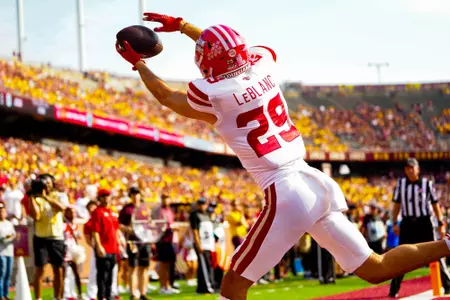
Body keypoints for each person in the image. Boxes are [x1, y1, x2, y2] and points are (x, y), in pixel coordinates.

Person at [116, 13, 450, 300]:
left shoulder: (216, 95)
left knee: (232, 287)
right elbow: (229, 52)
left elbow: (165, 95)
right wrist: (187, 27)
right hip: (314, 181)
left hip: (286, 191)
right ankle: (447, 244)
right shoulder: (263, 66)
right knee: (376, 268)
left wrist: (140, 64)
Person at [389, 158, 450, 297]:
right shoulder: (401, 184)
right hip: (407, 223)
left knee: (436, 253)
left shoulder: (426, 183)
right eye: (407, 168)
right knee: (401, 255)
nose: (410, 170)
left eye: (412, 167)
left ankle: (448, 285)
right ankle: (394, 290)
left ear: (418, 169)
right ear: (405, 170)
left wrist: (440, 223)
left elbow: (435, 205)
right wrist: (394, 222)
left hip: (424, 222)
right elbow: (396, 205)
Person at [29, 176, 66, 300]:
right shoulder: (36, 198)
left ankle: (58, 297)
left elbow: (61, 207)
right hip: (40, 237)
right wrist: (31, 197)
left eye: (48, 183)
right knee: (40, 268)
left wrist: (45, 197)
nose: (47, 186)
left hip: (56, 236)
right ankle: (38, 298)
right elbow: (36, 216)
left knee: (58, 269)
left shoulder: (59, 195)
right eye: (45, 184)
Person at [118, 187, 151, 300]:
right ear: (130, 196)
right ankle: (133, 293)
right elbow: (119, 225)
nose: (136, 196)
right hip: (132, 241)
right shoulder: (126, 209)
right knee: (133, 267)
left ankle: (143, 293)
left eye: (137, 194)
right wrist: (129, 229)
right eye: (133, 194)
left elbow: (149, 222)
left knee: (144, 267)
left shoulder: (144, 208)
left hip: (144, 241)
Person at [90, 189, 121, 300]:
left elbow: (116, 230)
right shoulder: (97, 212)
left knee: (111, 275)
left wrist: (120, 243)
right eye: (103, 196)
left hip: (113, 248)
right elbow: (95, 231)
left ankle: (108, 296)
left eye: (107, 195)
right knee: (102, 274)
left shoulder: (113, 212)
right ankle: (101, 296)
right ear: (99, 198)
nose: (106, 198)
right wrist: (98, 246)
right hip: (104, 247)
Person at [189, 198, 216, 294]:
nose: (202, 206)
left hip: (209, 244)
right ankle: (206, 287)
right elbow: (195, 231)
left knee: (206, 265)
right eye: (200, 204)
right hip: (202, 244)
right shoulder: (194, 215)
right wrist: (198, 244)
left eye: (203, 204)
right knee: (204, 266)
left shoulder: (207, 215)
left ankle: (201, 287)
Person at [0, 202, 15, 300]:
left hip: (10, 252)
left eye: (3, 211)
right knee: (2, 273)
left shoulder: (9, 224)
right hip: (1, 252)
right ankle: (1, 295)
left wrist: (9, 237)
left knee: (8, 274)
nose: (2, 213)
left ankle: (6, 294)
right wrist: (7, 238)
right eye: (1, 212)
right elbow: (2, 238)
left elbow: (13, 234)